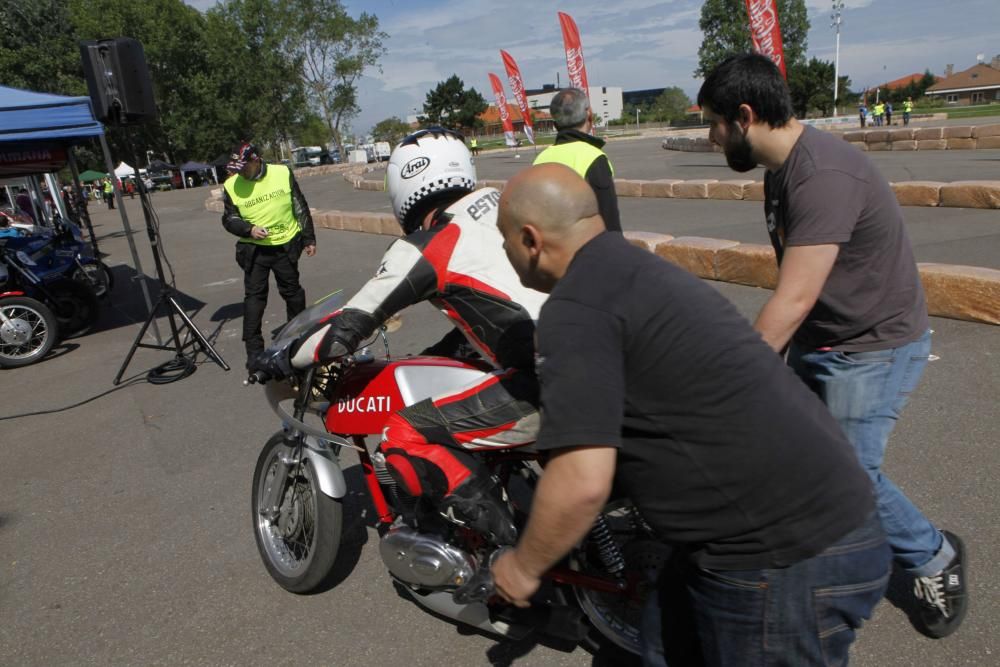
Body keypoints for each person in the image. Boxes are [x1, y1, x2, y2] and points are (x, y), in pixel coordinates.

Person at [491, 162, 890, 666]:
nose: (504, 253)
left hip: (783, 557)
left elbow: (582, 480)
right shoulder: (631, 268)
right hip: (789, 523)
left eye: (503, 241)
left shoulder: (576, 308)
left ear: (530, 239)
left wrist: (524, 567)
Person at [698, 53, 967, 640]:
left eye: (713, 122)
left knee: (851, 474)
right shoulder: (783, 169)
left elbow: (791, 299)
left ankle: (933, 557)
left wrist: (728, 381)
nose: (710, 136)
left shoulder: (821, 174)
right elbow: (799, 291)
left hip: (873, 346)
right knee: (793, 451)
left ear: (744, 116)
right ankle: (815, 549)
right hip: (825, 338)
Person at [249, 128, 547, 544]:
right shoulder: (508, 211)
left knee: (404, 433)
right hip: (614, 353)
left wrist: (282, 356)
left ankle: (512, 559)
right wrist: (434, 353)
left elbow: (347, 327)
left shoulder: (431, 246)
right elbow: (497, 314)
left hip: (551, 383)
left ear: (404, 186)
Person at [221, 141, 316, 367]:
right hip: (254, 250)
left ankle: (297, 339)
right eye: (237, 168)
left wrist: (309, 238)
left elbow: (299, 205)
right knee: (254, 299)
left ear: (256, 160)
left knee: (292, 292)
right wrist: (249, 229)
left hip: (285, 245)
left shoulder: (282, 173)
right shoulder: (232, 185)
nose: (240, 172)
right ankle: (253, 351)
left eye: (244, 167)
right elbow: (228, 218)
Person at [533, 87, 621, 232]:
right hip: (585, 248)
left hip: (550, 249)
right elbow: (608, 219)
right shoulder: (593, 157)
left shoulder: (540, 160)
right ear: (590, 115)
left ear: (555, 125)